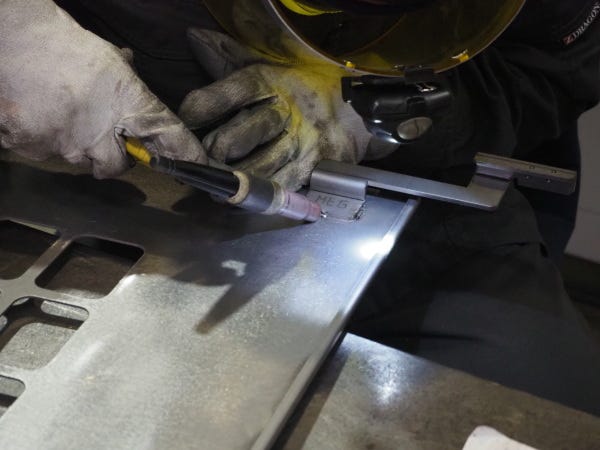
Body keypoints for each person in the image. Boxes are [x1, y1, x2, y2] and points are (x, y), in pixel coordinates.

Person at [1, 0, 599, 415]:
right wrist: (14, 32)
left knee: (539, 402)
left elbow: (550, 68)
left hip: (415, 210)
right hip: (88, 192)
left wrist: (368, 112)